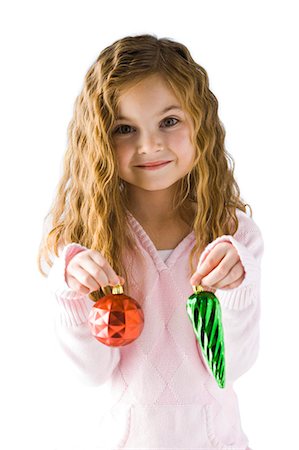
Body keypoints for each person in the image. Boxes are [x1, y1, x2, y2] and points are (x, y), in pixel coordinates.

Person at [37, 33, 263, 450]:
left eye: (169, 121)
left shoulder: (232, 234)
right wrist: (70, 292)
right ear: (99, 140)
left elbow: (231, 367)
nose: (150, 145)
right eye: (125, 128)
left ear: (201, 123)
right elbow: (91, 373)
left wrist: (237, 291)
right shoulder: (87, 240)